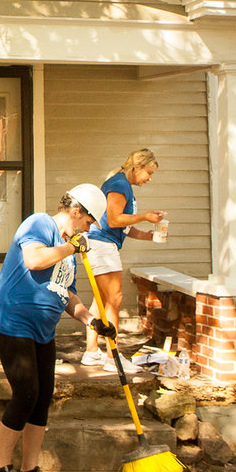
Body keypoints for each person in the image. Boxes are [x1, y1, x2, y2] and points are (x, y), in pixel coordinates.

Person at [0, 183, 116, 472]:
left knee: (43, 397)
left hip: (42, 329)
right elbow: (33, 260)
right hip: (11, 321)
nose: (88, 229)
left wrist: (92, 321)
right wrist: (73, 247)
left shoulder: (67, 248)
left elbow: (64, 292)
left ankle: (29, 471)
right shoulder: (39, 223)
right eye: (88, 222)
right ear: (75, 211)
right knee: (27, 392)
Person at [80, 150, 165, 368]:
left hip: (101, 244)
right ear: (137, 167)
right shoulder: (119, 184)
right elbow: (114, 219)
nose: (150, 178)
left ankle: (91, 352)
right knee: (114, 299)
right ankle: (113, 357)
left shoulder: (123, 185)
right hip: (101, 245)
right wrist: (145, 216)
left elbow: (124, 226)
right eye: (149, 172)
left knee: (102, 299)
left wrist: (148, 235)